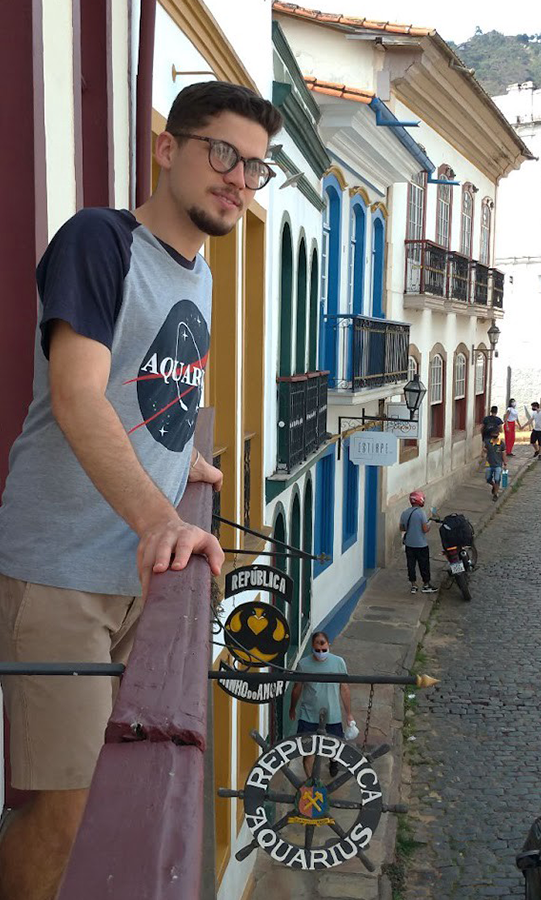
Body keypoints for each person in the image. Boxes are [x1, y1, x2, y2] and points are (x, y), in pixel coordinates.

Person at [0, 81, 282, 900]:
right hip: (60, 578)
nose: (238, 178)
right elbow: (79, 392)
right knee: (66, 815)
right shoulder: (100, 239)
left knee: (108, 801)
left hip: (133, 576)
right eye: (222, 153)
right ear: (169, 150)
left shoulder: (199, 278)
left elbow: (150, 394)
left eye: (255, 167)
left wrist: (176, 462)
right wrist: (162, 514)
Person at [289, 632, 354, 777]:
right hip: (309, 715)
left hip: (332, 714)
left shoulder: (338, 663)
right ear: (312, 647)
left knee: (334, 748)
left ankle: (333, 761)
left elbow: (344, 688)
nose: (320, 653)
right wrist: (292, 708)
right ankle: (312, 783)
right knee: (308, 751)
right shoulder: (303, 664)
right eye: (317, 650)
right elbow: (297, 688)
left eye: (323, 650)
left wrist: (349, 713)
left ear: (328, 645)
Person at [400, 491, 438, 594]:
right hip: (421, 544)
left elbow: (402, 528)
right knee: (424, 564)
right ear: (420, 500)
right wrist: (429, 524)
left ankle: (413, 585)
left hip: (409, 544)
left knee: (411, 565)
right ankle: (426, 584)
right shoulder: (421, 513)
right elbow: (425, 529)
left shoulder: (405, 513)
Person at [481, 428, 507, 501]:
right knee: (488, 479)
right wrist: (483, 454)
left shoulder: (501, 443)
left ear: (498, 434)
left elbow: (503, 453)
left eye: (496, 433)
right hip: (489, 463)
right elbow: (485, 449)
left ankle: (495, 494)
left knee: (497, 479)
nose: (495, 435)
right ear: (491, 434)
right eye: (494, 433)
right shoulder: (488, 442)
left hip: (498, 464)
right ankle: (494, 486)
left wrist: (505, 462)